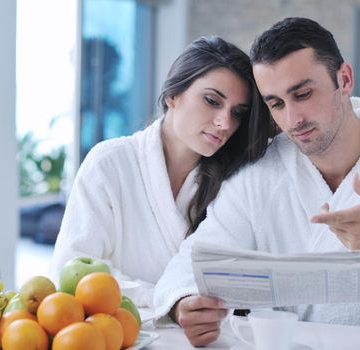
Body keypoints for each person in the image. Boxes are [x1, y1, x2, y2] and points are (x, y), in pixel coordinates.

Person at [153, 17, 360, 346]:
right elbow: (193, 262)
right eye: (276, 104)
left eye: (303, 94)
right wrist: (186, 303)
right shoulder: (260, 172)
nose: (292, 120)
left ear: (345, 79)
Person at [49, 36, 270, 307]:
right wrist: (170, 300)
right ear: (172, 95)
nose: (225, 122)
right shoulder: (110, 163)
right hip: (124, 334)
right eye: (212, 100)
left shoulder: (232, 179)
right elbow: (72, 272)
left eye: (238, 112)